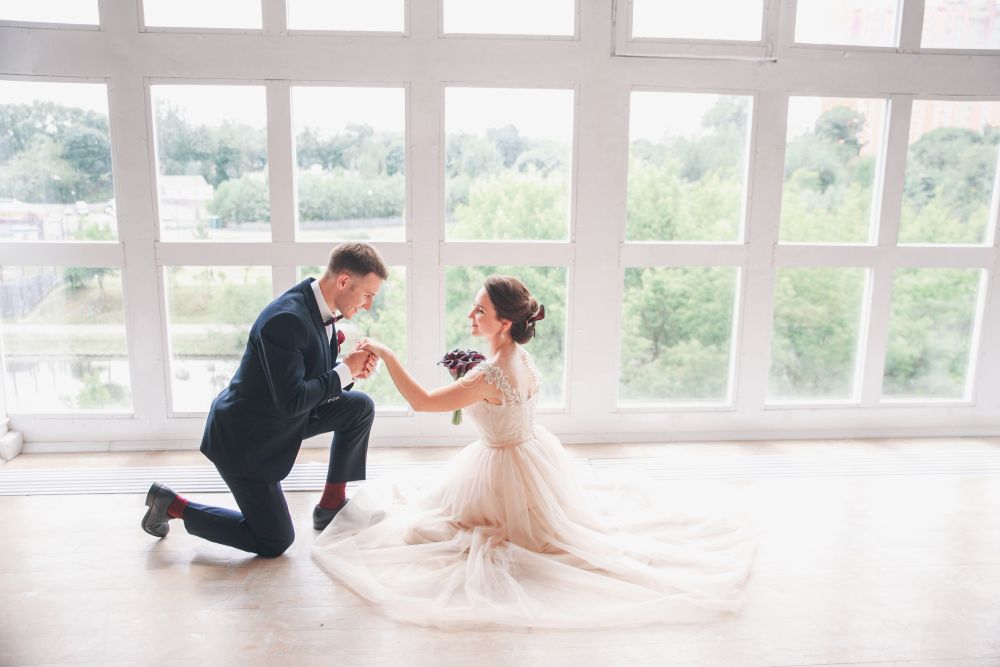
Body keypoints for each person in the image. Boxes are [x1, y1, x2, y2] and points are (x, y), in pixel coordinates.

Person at [311, 275, 755, 629]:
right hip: (532, 454)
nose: (471, 315)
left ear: (504, 322)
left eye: (480, 310)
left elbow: (424, 403)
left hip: (502, 466)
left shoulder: (488, 374)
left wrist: (387, 356)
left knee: (437, 535)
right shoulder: (520, 357)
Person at [141, 242, 389, 557]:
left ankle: (331, 506)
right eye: (367, 295)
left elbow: (310, 386)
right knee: (275, 541)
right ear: (343, 281)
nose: (367, 305)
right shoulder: (286, 320)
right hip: (245, 439)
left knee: (359, 408)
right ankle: (173, 505)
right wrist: (343, 372)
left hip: (283, 416)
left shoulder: (321, 310)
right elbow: (292, 401)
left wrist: (349, 373)